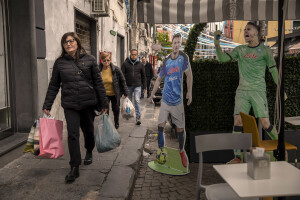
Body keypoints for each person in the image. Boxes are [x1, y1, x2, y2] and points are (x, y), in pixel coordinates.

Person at [42, 32, 108, 183]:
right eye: (65, 42)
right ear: (63, 46)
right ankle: (74, 166)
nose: (68, 44)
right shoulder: (60, 63)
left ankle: (89, 150)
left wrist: (104, 104)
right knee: (72, 135)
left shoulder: (90, 60)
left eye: (71, 41)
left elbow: (99, 84)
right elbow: (53, 86)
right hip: (70, 105)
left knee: (89, 131)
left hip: (88, 104)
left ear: (77, 43)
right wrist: (47, 105)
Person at [214, 22, 281, 164]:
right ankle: (238, 157)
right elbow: (222, 58)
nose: (245, 31)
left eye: (248, 29)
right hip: (242, 92)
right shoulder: (240, 49)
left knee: (265, 123)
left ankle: (280, 149)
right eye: (244, 29)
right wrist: (217, 44)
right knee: (237, 122)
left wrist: (281, 88)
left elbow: (273, 70)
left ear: (256, 32)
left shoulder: (265, 51)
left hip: (258, 91)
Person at [149, 33, 193, 168]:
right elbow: (159, 79)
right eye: (175, 42)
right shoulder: (166, 60)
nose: (177, 45)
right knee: (160, 126)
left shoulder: (184, 58)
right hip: (165, 100)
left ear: (180, 44)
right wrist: (152, 94)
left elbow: (189, 75)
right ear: (172, 43)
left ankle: (181, 151)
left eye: (179, 43)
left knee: (180, 129)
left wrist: (189, 92)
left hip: (178, 101)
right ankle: (162, 150)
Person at [99, 52, 128, 129]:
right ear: (101, 60)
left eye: (108, 60)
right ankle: (107, 125)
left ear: (110, 60)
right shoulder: (98, 70)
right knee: (106, 110)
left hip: (115, 93)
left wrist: (125, 92)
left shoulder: (116, 69)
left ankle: (116, 122)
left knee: (115, 109)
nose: (106, 62)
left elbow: (123, 80)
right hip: (104, 94)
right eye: (104, 60)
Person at [121, 49, 146, 125]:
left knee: (137, 100)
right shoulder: (125, 64)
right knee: (129, 101)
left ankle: (138, 117)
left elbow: (144, 76)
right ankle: (129, 114)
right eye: (132, 54)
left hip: (137, 86)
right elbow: (122, 75)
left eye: (135, 54)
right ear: (130, 55)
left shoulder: (141, 64)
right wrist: (123, 87)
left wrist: (144, 87)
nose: (133, 56)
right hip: (128, 86)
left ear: (137, 55)